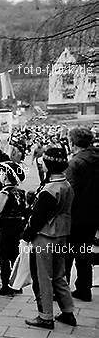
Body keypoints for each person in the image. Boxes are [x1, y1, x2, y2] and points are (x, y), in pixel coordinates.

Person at [22, 147, 76, 329]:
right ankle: (68, 311)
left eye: (43, 161)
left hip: (46, 237)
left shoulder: (49, 190)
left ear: (49, 165)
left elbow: (37, 218)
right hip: (62, 234)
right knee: (60, 275)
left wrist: (26, 236)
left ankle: (45, 316)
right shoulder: (66, 185)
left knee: (43, 277)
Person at [64, 127, 99, 302]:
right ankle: (84, 288)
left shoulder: (75, 163)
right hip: (93, 215)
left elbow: (70, 192)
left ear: (73, 142)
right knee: (85, 252)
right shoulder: (96, 157)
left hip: (75, 216)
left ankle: (61, 290)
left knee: (67, 254)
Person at [0, 161, 27, 296]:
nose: (0, 175)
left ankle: (6, 286)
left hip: (6, 228)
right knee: (15, 256)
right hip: (18, 227)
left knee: (4, 256)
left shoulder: (3, 193)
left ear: (5, 176)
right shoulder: (21, 192)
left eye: (1, 173)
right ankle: (16, 284)